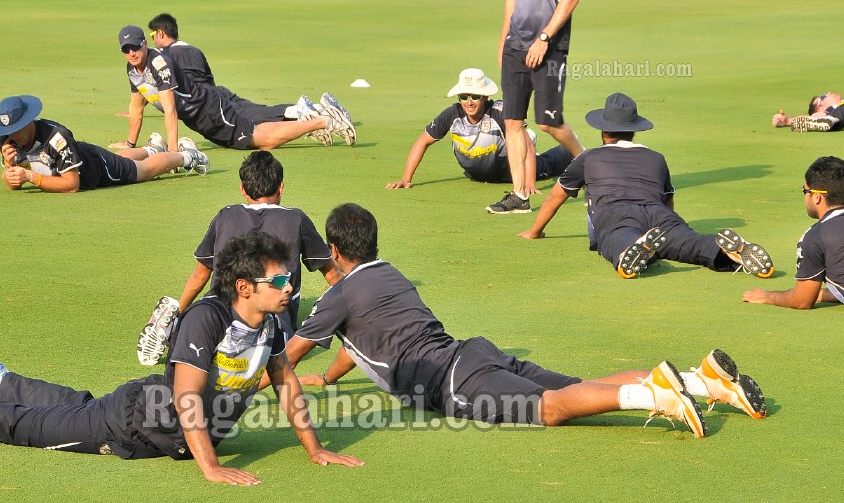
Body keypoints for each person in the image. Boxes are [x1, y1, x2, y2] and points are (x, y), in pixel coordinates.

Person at [0, 232, 364, 486]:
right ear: (243, 287)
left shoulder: (272, 323)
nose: (290, 288)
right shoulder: (206, 321)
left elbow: (286, 383)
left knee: (72, 407)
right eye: (278, 281)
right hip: (130, 424)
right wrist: (210, 467)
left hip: (147, 420)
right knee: (25, 427)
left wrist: (314, 448)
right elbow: (188, 397)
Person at [275, 203, 767, 439]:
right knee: (580, 386)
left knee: (551, 409)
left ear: (334, 250)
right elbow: (364, 339)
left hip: (455, 380)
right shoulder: (388, 274)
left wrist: (251, 380)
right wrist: (328, 375)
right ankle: (706, 384)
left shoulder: (338, 297)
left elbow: (285, 360)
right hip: (474, 353)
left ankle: (656, 395)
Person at [518, 93, 776, 280]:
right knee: (688, 243)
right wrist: (672, 224)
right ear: (634, 130)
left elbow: (555, 196)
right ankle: (723, 252)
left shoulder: (590, 157)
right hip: (658, 214)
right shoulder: (655, 157)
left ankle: (629, 251)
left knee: (616, 238)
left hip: (615, 212)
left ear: (603, 131)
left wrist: (534, 231)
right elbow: (668, 202)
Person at [137, 151, 340, 365]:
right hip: (271, 321)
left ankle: (177, 322)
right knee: (272, 346)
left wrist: (181, 309)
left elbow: (201, 273)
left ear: (243, 189)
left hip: (216, 310)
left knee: (203, 331)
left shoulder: (226, 215)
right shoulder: (296, 219)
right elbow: (332, 274)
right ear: (280, 187)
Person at [118, 25, 355, 152]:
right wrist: (129, 144)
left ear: (145, 44)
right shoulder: (133, 72)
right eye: (126, 49)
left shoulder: (159, 64)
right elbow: (136, 107)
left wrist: (172, 152)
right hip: (200, 120)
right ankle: (309, 121)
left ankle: (323, 121)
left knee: (263, 141)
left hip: (208, 109)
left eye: (135, 47)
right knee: (255, 134)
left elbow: (170, 109)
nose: (131, 53)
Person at [492, 0, 587, 214]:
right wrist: (502, 41)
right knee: (512, 121)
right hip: (515, 48)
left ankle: (589, 164)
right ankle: (520, 196)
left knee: (548, 123)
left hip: (550, 48)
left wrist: (544, 38)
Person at [384, 68, 572, 198]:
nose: (469, 101)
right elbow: (422, 141)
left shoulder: (499, 112)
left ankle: (576, 151)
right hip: (478, 175)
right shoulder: (452, 114)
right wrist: (406, 179)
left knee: (554, 161)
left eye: (475, 96)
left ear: (485, 97)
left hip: (512, 173)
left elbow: (526, 146)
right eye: (464, 96)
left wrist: (529, 183)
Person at [144, 12, 340, 134]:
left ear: (161, 33)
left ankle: (301, 110)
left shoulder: (163, 56)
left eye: (153, 35)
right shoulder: (194, 50)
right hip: (217, 93)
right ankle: (314, 108)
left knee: (254, 117)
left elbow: (164, 85)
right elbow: (210, 81)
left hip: (205, 101)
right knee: (255, 109)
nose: (153, 40)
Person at [0, 95, 209, 193]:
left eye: (17, 129)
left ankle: (188, 156)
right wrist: (9, 165)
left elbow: (71, 184)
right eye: (8, 132)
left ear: (29, 122)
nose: (12, 137)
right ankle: (151, 148)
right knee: (125, 159)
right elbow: (11, 182)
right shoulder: (7, 140)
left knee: (143, 170)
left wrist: (32, 178)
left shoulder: (56, 138)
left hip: (96, 168)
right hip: (77, 155)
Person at [743, 156, 844, 309]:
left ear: (817, 197)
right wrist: (819, 293)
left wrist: (766, 296)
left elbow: (802, 301)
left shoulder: (816, 237)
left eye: (805, 190)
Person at [772, 92, 843, 132]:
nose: (829, 93)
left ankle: (832, 120)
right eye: (823, 96)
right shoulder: (832, 109)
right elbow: (815, 116)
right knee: (836, 112)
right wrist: (788, 121)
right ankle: (832, 120)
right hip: (833, 115)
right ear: (821, 108)